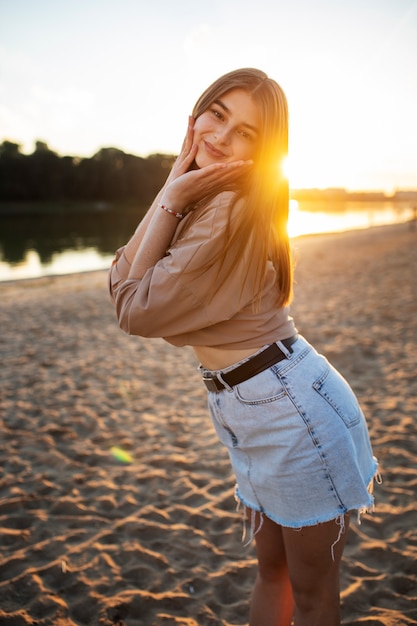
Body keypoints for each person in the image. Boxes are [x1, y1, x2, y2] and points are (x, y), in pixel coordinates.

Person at [108, 68, 379, 626]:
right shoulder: (206, 199)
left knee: (310, 595)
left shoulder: (231, 212)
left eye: (247, 133)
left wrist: (172, 194)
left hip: (292, 413)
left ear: (265, 152)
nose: (221, 136)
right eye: (218, 114)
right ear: (197, 112)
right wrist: (172, 190)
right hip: (250, 407)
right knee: (271, 575)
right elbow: (122, 283)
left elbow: (133, 309)